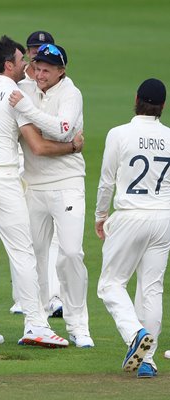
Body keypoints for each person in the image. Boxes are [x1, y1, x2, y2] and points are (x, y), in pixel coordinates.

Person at [0, 43, 93, 348]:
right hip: (3, 179)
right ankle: (36, 323)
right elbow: (37, 147)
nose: (30, 68)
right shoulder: (16, 97)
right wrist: (73, 147)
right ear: (10, 66)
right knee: (23, 253)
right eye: (24, 60)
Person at [95, 78, 170, 378]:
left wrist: (101, 215)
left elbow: (106, 181)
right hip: (163, 218)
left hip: (130, 216)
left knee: (110, 284)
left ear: (136, 98)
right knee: (151, 288)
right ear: (162, 106)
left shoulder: (119, 134)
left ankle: (135, 334)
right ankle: (148, 361)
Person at [9, 30, 63, 318]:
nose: (36, 53)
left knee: (51, 239)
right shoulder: (19, 81)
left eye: (43, 48)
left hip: (45, 168)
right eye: (33, 48)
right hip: (20, 163)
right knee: (25, 235)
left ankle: (52, 297)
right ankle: (21, 297)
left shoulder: (57, 83)